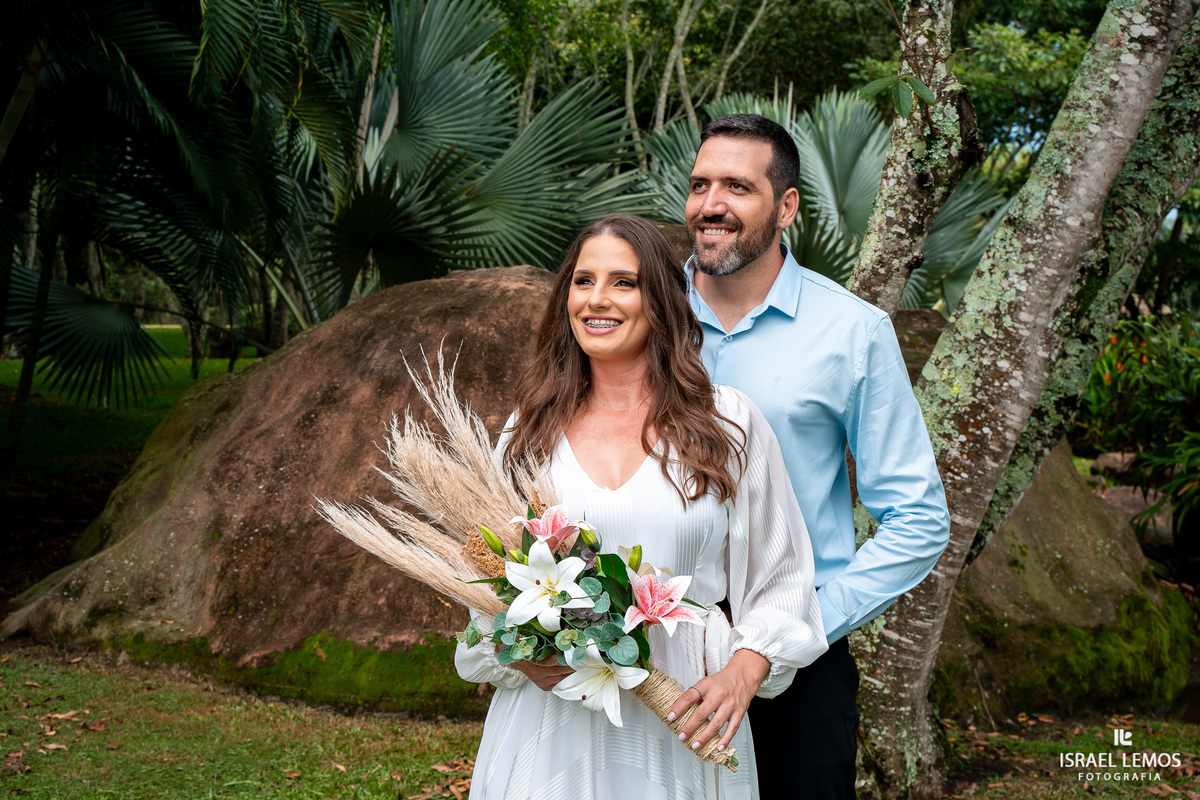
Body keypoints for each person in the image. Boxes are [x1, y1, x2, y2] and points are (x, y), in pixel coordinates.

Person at [455, 214, 829, 800]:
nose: (596, 300)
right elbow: (488, 596)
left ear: (661, 299)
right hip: (552, 727)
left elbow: (783, 578)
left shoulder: (726, 423)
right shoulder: (528, 435)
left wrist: (742, 673)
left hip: (681, 716)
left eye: (623, 282)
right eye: (583, 281)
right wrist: (525, 659)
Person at [683, 113, 952, 798]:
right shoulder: (642, 314)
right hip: (655, 650)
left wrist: (805, 626)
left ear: (787, 206)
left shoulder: (852, 332)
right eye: (700, 185)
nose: (711, 205)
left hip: (798, 675)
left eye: (738, 187)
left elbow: (918, 519)